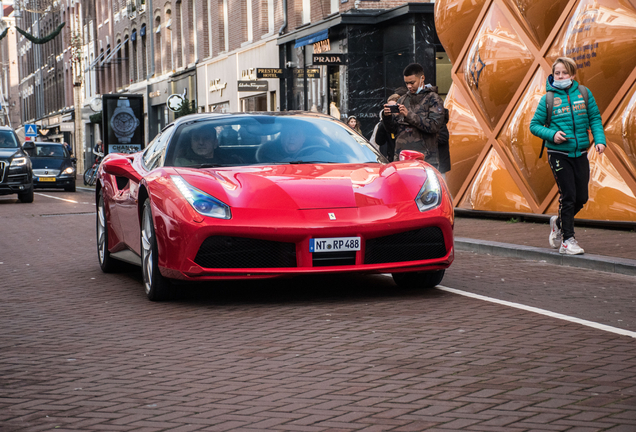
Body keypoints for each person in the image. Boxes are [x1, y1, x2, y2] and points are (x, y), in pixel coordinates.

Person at [529, 56, 606, 255]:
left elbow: (594, 118)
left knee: (581, 197)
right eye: (557, 73)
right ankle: (568, 241)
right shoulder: (547, 99)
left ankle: (559, 222)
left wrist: (599, 140)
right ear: (553, 75)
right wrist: (553, 135)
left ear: (572, 74)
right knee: (569, 195)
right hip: (558, 154)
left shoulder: (584, 93)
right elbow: (534, 126)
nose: (560, 76)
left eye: (564, 72)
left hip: (580, 152)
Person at [382, 63, 445, 165]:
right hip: (401, 158)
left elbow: (434, 126)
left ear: (422, 78)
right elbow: (392, 130)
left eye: (412, 83)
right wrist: (387, 117)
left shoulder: (433, 99)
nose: (409, 86)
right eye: (407, 83)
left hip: (425, 158)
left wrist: (408, 115)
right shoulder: (402, 99)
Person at [372, 93, 401, 161]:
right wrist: (385, 119)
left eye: (394, 108)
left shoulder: (404, 121)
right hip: (391, 158)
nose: (392, 110)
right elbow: (379, 141)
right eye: (389, 107)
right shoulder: (384, 122)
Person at [437, 108, 451, 180]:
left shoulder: (440, 122)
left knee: (441, 182)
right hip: (439, 161)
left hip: (440, 161)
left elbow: (443, 138)